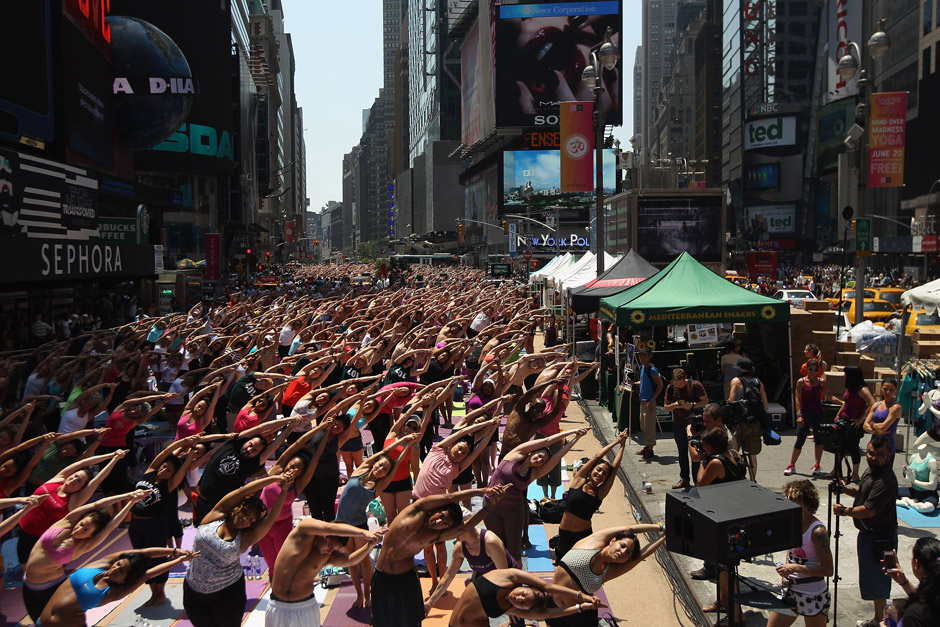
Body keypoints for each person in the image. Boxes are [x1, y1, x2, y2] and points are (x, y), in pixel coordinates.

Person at [371, 485, 508, 627]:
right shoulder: (417, 510)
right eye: (440, 516)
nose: (438, 522)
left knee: (411, 623)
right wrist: (481, 490)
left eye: (444, 524)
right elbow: (450, 497)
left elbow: (465, 527)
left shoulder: (435, 535)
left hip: (407, 580)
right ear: (437, 510)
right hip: (382, 578)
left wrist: (489, 508)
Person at [183, 472, 296, 627]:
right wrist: (275, 478)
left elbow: (270, 519)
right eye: (245, 513)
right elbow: (242, 491)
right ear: (238, 509)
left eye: (251, 520)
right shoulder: (216, 515)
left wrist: (284, 491)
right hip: (193, 591)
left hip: (226, 596)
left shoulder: (245, 538)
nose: (245, 520)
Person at [23, 490, 147, 621]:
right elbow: (96, 505)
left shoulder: (82, 547)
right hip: (28, 585)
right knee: (38, 622)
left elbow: (111, 526)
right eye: (81, 524)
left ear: (91, 536)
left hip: (49, 590)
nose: (80, 529)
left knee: (53, 622)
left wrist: (131, 502)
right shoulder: (66, 522)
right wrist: (128, 495)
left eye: (86, 530)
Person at [335, 432, 420, 608]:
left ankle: (367, 594)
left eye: (384, 470)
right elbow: (383, 454)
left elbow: (394, 466)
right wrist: (403, 439)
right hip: (341, 522)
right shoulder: (361, 470)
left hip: (358, 524)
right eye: (380, 466)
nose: (380, 469)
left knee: (364, 561)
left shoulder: (378, 486)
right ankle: (358, 594)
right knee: (349, 560)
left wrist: (406, 448)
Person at [486, 428, 590, 562]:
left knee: (514, 551)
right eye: (539, 455)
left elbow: (557, 457)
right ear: (532, 452)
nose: (539, 459)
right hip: (491, 505)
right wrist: (571, 432)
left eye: (542, 460)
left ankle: (515, 579)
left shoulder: (534, 473)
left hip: (513, 510)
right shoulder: (515, 455)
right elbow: (546, 440)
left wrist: (577, 439)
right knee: (495, 546)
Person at [266, 518, 386, 627]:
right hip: (277, 606)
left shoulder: (327, 556)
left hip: (304, 608)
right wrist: (364, 533)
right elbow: (329, 527)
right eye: (330, 545)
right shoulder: (302, 531)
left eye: (334, 549)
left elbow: (350, 560)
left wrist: (370, 545)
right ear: (323, 535)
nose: (330, 551)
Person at [831, 435, 898, 627]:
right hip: (869, 536)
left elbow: (868, 511)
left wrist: (844, 511)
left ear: (889, 456)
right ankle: (878, 619)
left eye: (879, 455)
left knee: (880, 582)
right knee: (872, 580)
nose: (873, 457)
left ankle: (882, 621)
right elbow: (863, 493)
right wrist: (844, 490)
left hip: (881, 539)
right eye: (870, 453)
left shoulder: (886, 480)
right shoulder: (871, 472)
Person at [17, 449, 126, 567]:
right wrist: (111, 454)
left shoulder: (73, 501)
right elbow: (81, 464)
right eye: (75, 476)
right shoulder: (58, 479)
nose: (74, 480)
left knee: (30, 567)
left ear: (81, 488)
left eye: (79, 481)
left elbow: (97, 480)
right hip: (21, 527)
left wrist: (115, 459)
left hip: (39, 538)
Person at [38, 548, 197, 627]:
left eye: (120, 571)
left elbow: (147, 575)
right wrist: (175, 551)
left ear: (124, 580)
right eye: (118, 564)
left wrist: (178, 561)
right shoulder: (102, 565)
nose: (114, 568)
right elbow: (142, 552)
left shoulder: (113, 592)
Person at [128, 437, 201, 607]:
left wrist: (191, 453)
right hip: (135, 524)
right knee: (142, 559)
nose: (163, 470)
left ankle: (160, 594)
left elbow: (183, 470)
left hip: (154, 525)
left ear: (172, 475)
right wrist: (183, 442)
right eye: (163, 466)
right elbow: (164, 453)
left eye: (168, 470)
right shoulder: (150, 472)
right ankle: (153, 593)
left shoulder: (169, 485)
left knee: (157, 559)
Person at [257, 419, 332, 580]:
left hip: (282, 526)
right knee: (271, 567)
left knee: (284, 564)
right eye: (292, 465)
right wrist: (317, 428)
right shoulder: (276, 470)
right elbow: (297, 444)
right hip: (263, 524)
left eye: (298, 468)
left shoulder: (298, 484)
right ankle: (275, 597)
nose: (293, 469)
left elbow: (316, 457)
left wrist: (324, 432)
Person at [548, 524, 665, 627]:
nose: (623, 552)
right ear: (613, 541)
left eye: (628, 553)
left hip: (580, 617)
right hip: (554, 607)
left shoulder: (610, 571)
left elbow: (641, 556)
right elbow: (628, 528)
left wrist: (665, 536)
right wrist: (660, 527)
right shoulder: (593, 542)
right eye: (622, 545)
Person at [192, 416, 296, 525]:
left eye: (254, 450)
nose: (249, 449)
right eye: (250, 445)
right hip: (202, 501)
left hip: (221, 508)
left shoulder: (251, 464)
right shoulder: (233, 444)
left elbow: (274, 447)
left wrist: (289, 428)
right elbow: (260, 428)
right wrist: (287, 420)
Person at [766, 480, 833, 627]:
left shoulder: (818, 532)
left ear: (807, 504)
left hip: (812, 594)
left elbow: (828, 570)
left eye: (794, 502)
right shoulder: (792, 524)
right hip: (790, 590)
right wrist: (786, 570)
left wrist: (795, 568)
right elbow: (790, 553)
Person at [555, 430, 627, 560]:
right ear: (592, 469)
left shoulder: (600, 493)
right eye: (598, 470)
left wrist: (623, 446)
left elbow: (615, 468)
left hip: (584, 537)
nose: (600, 474)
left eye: (604, 474)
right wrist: (616, 441)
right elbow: (597, 456)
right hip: (565, 535)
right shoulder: (579, 480)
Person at [448, 567, 603, 627]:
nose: (519, 599)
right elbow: (547, 586)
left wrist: (581, 607)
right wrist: (582, 596)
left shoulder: (512, 608)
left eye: (523, 604)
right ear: (524, 586)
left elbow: (548, 614)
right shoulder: (508, 576)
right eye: (523, 594)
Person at [424, 526, 518, 614]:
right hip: (484, 579)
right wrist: (430, 602)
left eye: (454, 530)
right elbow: (447, 578)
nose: (451, 534)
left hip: (509, 581)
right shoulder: (459, 547)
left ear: (467, 528)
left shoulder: (490, 542)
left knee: (515, 616)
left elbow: (505, 576)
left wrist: (510, 603)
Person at [663, 368, 707, 489]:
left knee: (696, 452)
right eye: (677, 384)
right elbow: (666, 407)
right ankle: (684, 479)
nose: (679, 386)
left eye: (681, 383)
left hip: (694, 424)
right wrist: (674, 406)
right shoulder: (671, 388)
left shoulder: (695, 385)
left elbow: (705, 401)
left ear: (685, 378)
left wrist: (691, 405)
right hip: (679, 423)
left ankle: (698, 479)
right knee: (682, 453)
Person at [881, 537, 940, 627]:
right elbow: (926, 597)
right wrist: (904, 582)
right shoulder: (934, 594)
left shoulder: (915, 614)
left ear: (916, 563)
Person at [831, 366, 875, 483]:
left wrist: (862, 418)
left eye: (846, 374)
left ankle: (855, 474)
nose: (844, 376)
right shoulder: (850, 388)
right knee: (839, 445)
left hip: (854, 422)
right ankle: (836, 470)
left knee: (853, 447)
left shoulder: (862, 389)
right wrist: (838, 414)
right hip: (844, 419)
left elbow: (872, 403)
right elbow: (846, 402)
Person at [785, 359, 827, 477]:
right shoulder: (801, 382)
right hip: (805, 413)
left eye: (815, 369)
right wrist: (799, 414)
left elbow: (829, 395)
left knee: (819, 439)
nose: (812, 371)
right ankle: (792, 464)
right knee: (800, 439)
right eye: (810, 369)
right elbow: (797, 399)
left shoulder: (821, 382)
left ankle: (817, 465)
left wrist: (843, 403)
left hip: (818, 413)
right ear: (806, 369)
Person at [728, 357, 768, 480]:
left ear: (740, 370)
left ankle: (735, 479)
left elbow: (731, 401)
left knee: (734, 452)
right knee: (751, 454)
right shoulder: (758, 382)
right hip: (754, 423)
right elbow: (765, 404)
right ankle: (753, 480)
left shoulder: (736, 381)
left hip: (739, 424)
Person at [635, 348, 663, 460]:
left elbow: (660, 385)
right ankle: (647, 446)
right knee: (643, 426)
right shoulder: (642, 368)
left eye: (644, 356)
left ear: (649, 357)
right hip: (642, 401)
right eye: (640, 356)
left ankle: (650, 450)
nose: (642, 358)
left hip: (649, 402)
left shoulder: (652, 370)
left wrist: (653, 399)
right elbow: (643, 381)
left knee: (649, 426)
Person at [863, 379, 902, 460]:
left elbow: (882, 427)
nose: (888, 392)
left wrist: (872, 424)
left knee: (885, 472)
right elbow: (864, 425)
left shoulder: (895, 407)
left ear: (895, 390)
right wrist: (876, 431)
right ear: (881, 389)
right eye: (885, 389)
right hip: (873, 446)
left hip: (887, 449)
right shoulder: (876, 405)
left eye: (891, 390)